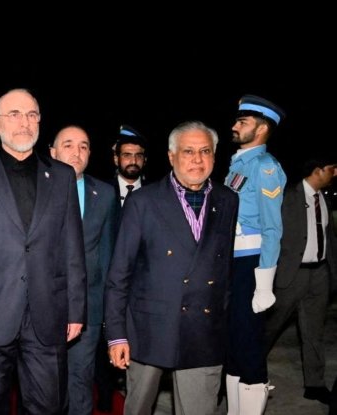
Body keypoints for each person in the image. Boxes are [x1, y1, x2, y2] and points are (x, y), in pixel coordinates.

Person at [0, 88, 87, 414]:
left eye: (32, 114)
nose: (25, 122)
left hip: (48, 314)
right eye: (15, 114)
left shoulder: (62, 176)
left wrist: (76, 310)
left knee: (48, 406)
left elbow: (72, 249)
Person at [105, 120, 238, 415]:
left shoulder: (228, 200)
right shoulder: (143, 201)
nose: (197, 159)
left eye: (205, 151)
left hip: (204, 331)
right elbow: (119, 275)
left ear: (215, 156)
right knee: (138, 408)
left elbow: (225, 272)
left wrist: (222, 325)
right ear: (171, 156)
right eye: (188, 151)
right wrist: (117, 334)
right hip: (149, 329)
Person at [224, 94, 287, 414]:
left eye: (242, 122)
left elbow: (272, 229)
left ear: (261, 129)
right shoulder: (239, 162)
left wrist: (264, 284)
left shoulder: (264, 167)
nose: (234, 126)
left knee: (248, 346)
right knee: (233, 345)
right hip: (232, 265)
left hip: (251, 264)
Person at [50, 125, 117, 415]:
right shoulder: (33, 189)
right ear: (52, 152)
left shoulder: (104, 194)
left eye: (83, 146)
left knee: (80, 379)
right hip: (42, 307)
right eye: (68, 144)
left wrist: (104, 313)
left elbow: (108, 255)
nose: (76, 151)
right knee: (45, 384)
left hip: (87, 310)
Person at [264, 159, 336, 405]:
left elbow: (329, 238)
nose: (335, 173)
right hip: (290, 276)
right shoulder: (288, 197)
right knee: (268, 329)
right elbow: (272, 237)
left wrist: (331, 273)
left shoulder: (323, 197)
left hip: (319, 275)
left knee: (314, 332)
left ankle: (314, 384)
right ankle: (245, 373)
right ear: (318, 170)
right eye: (331, 168)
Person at [112, 125, 149, 208]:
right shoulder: (103, 191)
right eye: (127, 155)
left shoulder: (155, 192)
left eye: (139, 156)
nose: (133, 161)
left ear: (145, 160)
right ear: (116, 159)